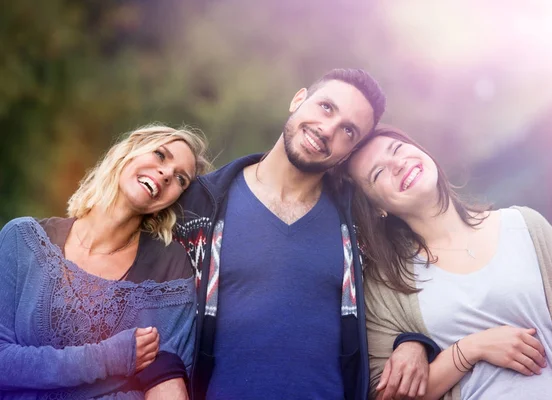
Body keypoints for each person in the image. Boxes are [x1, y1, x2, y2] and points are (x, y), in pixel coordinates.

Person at [149, 69, 439, 400]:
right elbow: (140, 299)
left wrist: (413, 340)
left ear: (350, 152)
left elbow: (418, 282)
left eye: (348, 131)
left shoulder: (360, 225)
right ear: (298, 100)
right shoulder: (198, 205)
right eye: (326, 107)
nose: (328, 129)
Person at [344, 124, 552, 399]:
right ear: (377, 207)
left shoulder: (527, 225)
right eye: (379, 172)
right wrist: (468, 351)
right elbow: (387, 394)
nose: (397, 164)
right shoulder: (387, 284)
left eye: (397, 148)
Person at [0, 125, 211, 399]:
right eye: (160, 155)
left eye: (181, 179)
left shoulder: (168, 277)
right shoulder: (23, 240)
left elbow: (167, 382)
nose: (168, 173)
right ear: (127, 153)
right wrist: (108, 358)